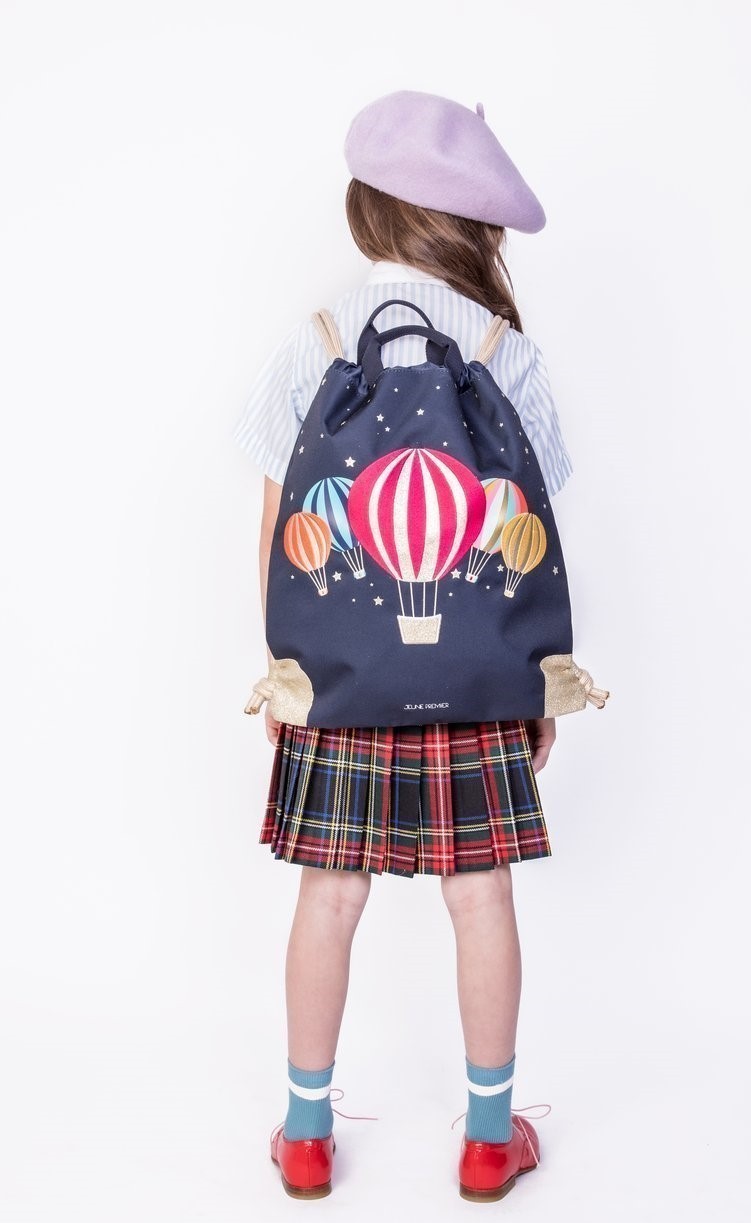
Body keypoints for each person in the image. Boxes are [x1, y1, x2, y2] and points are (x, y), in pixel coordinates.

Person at [232, 90, 570, 1202]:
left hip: (343, 679)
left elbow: (282, 526)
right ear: (469, 222)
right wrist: (537, 686)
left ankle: (305, 1132)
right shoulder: (500, 346)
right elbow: (528, 529)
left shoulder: (319, 337)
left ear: (368, 209)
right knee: (481, 897)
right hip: (476, 674)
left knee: (328, 898)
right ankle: (487, 1137)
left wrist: (285, 670)